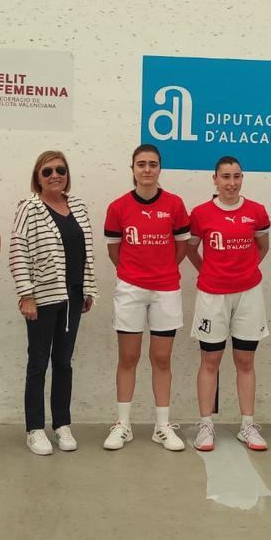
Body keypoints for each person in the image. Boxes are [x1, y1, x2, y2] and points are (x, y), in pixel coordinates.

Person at [102, 144, 191, 451]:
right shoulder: (118, 207)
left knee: (162, 358)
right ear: (133, 169)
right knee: (128, 357)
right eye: (141, 164)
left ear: (159, 169)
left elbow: (182, 246)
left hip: (166, 289)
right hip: (130, 290)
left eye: (153, 164)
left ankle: (162, 426)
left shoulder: (176, 205)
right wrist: (134, 273)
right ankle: (123, 425)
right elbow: (114, 250)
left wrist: (162, 270)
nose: (147, 169)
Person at [9, 151, 98, 456]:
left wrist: (87, 289)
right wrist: (27, 294)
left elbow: (85, 251)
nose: (55, 175)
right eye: (47, 171)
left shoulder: (79, 207)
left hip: (73, 297)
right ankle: (35, 428)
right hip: (42, 299)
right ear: (38, 177)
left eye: (60, 169)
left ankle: (62, 424)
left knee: (63, 363)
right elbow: (18, 251)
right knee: (38, 364)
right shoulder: (29, 208)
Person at [186, 157, 271, 452]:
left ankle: (247, 426)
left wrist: (245, 271)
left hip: (249, 294)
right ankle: (205, 425)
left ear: (242, 178)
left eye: (236, 176)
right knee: (210, 361)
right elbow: (190, 248)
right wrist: (209, 270)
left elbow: (263, 246)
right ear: (215, 179)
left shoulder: (256, 211)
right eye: (225, 177)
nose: (231, 183)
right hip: (212, 295)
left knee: (245, 361)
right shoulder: (200, 214)